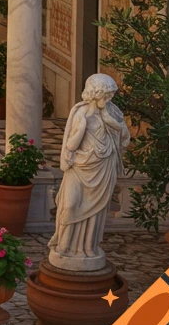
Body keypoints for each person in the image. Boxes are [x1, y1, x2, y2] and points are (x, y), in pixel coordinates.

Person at [48, 72, 130, 272]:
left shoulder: (113, 112)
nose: (109, 99)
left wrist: (116, 126)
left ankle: (88, 248)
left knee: (96, 211)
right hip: (80, 167)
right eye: (106, 95)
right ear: (95, 94)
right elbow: (70, 145)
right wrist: (82, 128)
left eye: (111, 95)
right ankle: (64, 246)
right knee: (70, 205)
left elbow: (125, 139)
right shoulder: (80, 113)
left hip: (103, 167)